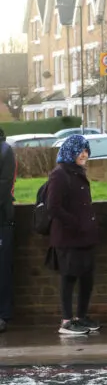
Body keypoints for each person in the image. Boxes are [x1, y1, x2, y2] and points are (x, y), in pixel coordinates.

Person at [45, 135, 100, 336]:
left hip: (85, 236)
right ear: (70, 152)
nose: (84, 154)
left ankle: (81, 317)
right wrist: (75, 223)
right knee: (69, 278)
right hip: (68, 238)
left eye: (86, 150)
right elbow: (53, 207)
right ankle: (67, 321)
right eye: (80, 150)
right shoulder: (59, 174)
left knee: (87, 278)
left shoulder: (78, 172)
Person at [0, 128, 15, 333]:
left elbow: (4, 185)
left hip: (2, 220)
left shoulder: (4, 151)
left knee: (2, 269)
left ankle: (2, 314)